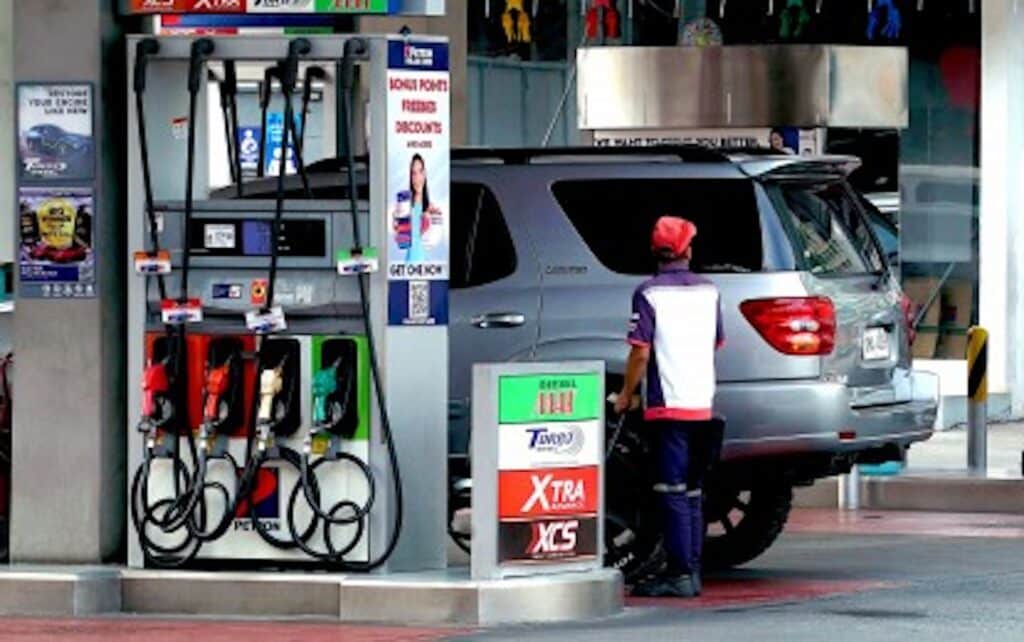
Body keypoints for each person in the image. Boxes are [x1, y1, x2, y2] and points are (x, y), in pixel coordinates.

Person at [614, 216, 724, 598]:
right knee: (693, 490)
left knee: (671, 488)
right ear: (687, 251)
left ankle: (679, 574)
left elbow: (640, 353)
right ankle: (690, 571)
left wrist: (627, 394)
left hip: (668, 406)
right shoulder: (709, 292)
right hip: (702, 403)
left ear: (655, 252)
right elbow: (714, 342)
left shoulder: (648, 293)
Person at [404, 154, 442, 263]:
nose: (417, 177)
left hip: (422, 264)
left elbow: (434, 241)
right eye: (413, 173)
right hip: (410, 262)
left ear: (425, 174)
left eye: (420, 171)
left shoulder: (431, 207)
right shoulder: (406, 206)